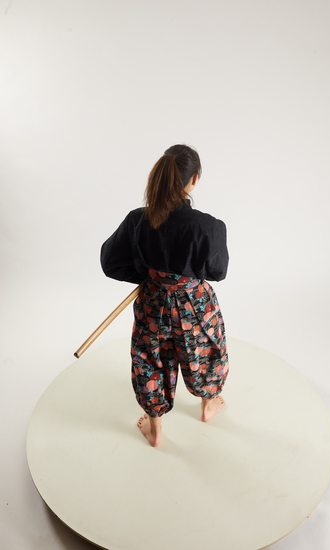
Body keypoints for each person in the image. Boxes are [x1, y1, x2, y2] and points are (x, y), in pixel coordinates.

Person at [100, 144, 229, 447]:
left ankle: (155, 427)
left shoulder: (137, 220)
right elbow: (218, 271)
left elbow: (110, 262)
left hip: (152, 302)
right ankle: (209, 404)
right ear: (193, 180)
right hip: (194, 305)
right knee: (205, 349)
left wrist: (148, 276)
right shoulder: (209, 228)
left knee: (150, 358)